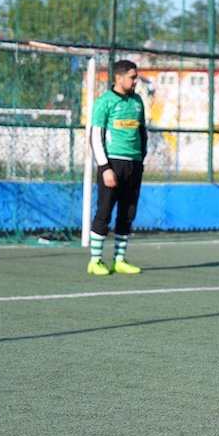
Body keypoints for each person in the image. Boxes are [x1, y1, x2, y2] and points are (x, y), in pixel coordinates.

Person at [87, 60, 147, 275]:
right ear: (119, 78)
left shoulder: (137, 101)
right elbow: (95, 136)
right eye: (132, 77)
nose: (135, 81)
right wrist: (105, 168)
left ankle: (119, 260)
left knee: (128, 212)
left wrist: (140, 159)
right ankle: (95, 261)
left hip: (134, 164)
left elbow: (142, 132)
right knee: (104, 211)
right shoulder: (104, 102)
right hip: (113, 163)